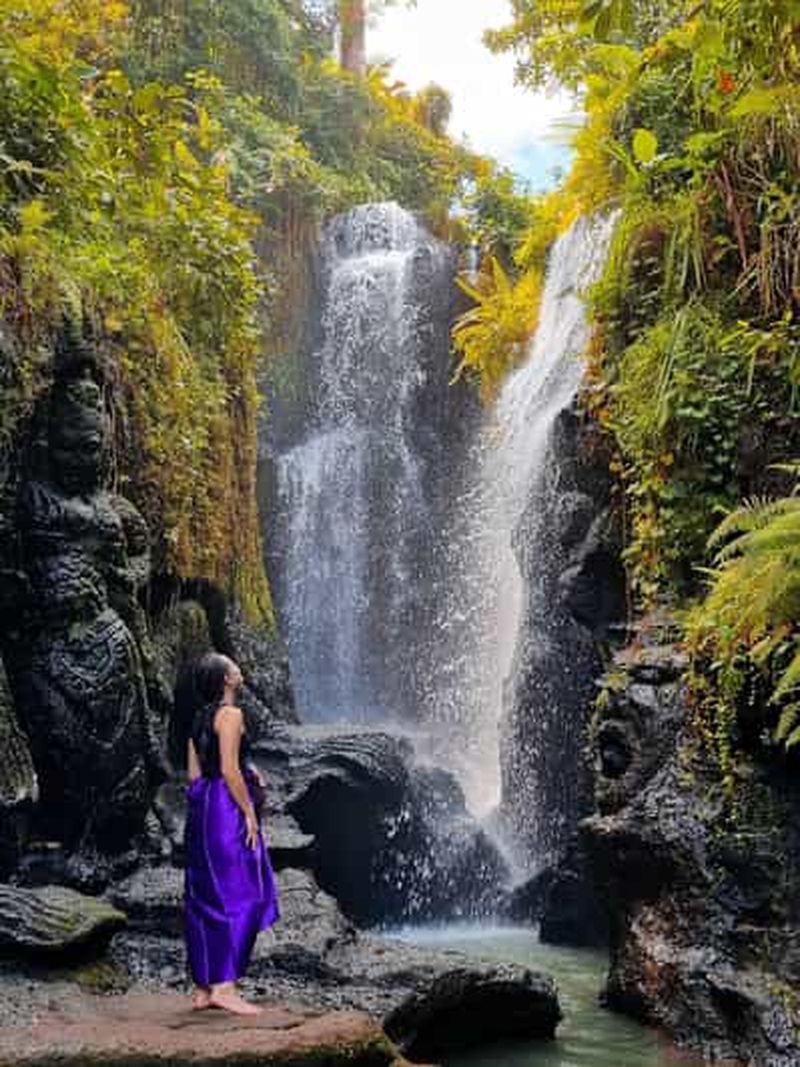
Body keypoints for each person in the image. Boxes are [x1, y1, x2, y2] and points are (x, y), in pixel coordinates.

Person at [179, 652, 280, 1014]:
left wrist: (249, 771)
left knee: (205, 893)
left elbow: (194, 774)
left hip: (201, 806)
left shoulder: (196, 719)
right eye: (231, 664)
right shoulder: (232, 715)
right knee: (245, 892)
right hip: (225, 807)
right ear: (226, 679)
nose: (238, 667)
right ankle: (225, 986)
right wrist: (248, 812)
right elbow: (228, 770)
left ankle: (204, 987)